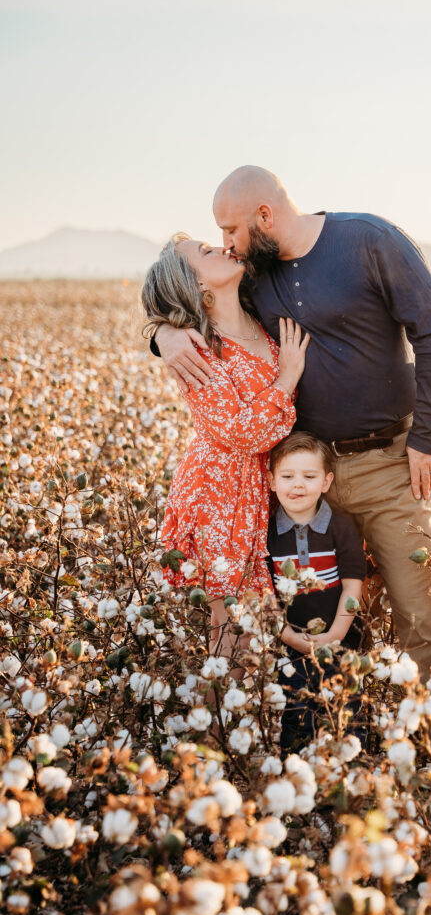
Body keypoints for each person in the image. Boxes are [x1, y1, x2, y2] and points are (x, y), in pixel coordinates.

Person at [152, 166, 431, 678]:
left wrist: (430, 434)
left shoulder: (369, 240)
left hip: (389, 466)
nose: (226, 244)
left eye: (231, 231)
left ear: (265, 216)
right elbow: (187, 292)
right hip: (298, 477)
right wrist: (163, 333)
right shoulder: (252, 270)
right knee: (296, 618)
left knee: (420, 613)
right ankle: (326, 742)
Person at [141, 231, 309, 660]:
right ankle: (214, 728)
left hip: (253, 489)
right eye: (204, 252)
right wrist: (287, 377)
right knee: (232, 631)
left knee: (248, 632)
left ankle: (232, 726)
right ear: (197, 285)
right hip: (217, 492)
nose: (220, 246)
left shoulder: (256, 311)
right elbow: (240, 431)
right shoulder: (196, 347)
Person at [266, 431, 366, 751]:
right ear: (271, 481)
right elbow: (264, 593)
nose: (298, 485)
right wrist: (288, 636)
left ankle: (350, 772)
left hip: (342, 638)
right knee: (295, 714)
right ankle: (301, 777)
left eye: (309, 476)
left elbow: (352, 584)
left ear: (326, 481)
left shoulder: (341, 526)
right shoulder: (266, 533)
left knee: (345, 710)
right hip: (289, 643)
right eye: (288, 476)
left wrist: (335, 634)